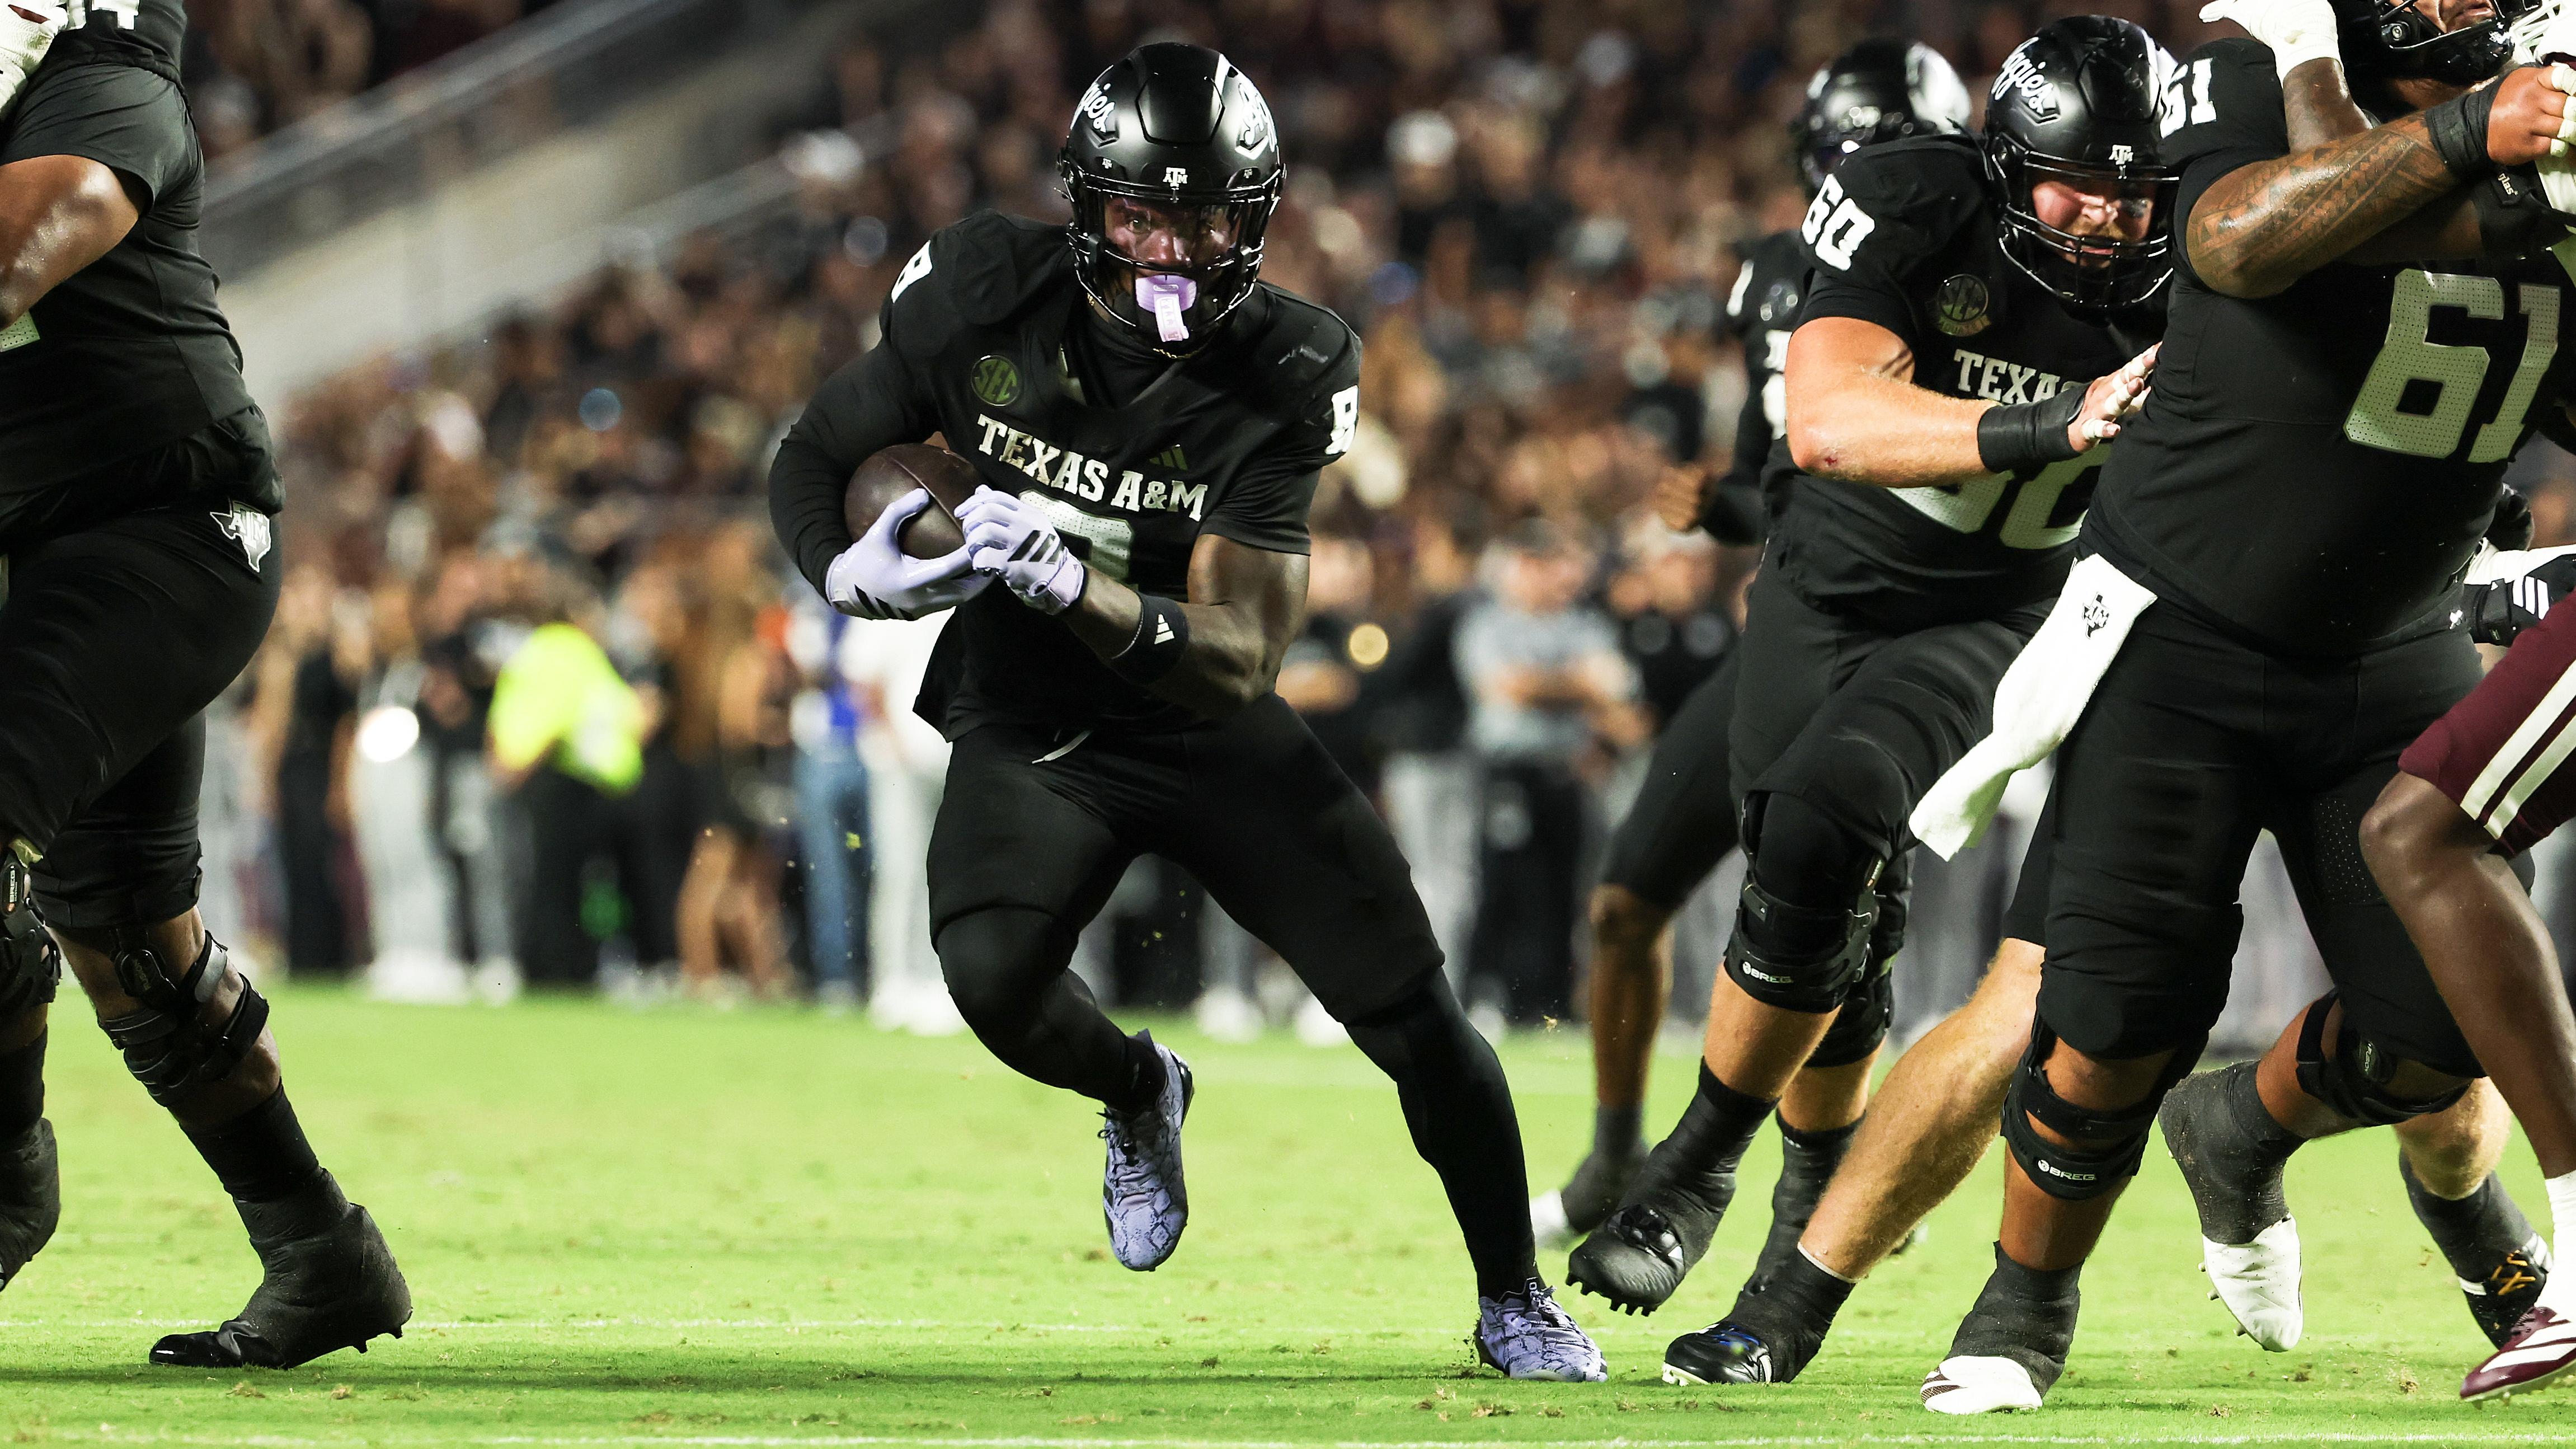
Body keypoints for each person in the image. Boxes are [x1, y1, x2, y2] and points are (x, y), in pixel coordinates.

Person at [766, 43, 1603, 1381]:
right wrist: (843, 567)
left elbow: (1240, 657)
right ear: (1085, 206)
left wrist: (1072, 582)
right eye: (1143, 213)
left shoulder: (1288, 362)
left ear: (1255, 219)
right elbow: (817, 452)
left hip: (1201, 723)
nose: (1172, 244)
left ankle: (1513, 1288)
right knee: (989, 979)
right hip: (1035, 720)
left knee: (1412, 1014)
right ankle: (1139, 1088)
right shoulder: (982, 290)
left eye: (1207, 215)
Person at [1921, 0, 2576, 1414]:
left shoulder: (2538, 117)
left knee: (2440, 1024)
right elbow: (2228, 239)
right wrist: (2469, 134)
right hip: (2188, 630)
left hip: (2397, 642)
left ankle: (2236, 1125)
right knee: (2109, 1014)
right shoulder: (2259, 56)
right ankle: (2020, 1307)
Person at [1563, 17, 2169, 1358]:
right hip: (1825, 584)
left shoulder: (2193, 261)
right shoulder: (1912, 199)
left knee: (1833, 814)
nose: (2104, 215)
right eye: (2075, 179)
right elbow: (1825, 421)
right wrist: (2052, 423)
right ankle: (1779, 1183)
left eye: (2135, 188)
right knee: (1806, 874)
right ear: (2004, 159)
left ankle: (1702, 1161)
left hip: (2003, 610)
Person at [0, 0, 408, 1366]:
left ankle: (0, 1177)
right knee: (128, 936)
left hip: (159, 531)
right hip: (37, 547)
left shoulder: (106, 84)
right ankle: (321, 1249)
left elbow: (46, 216)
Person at [1530, 34, 1974, 1261]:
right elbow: (1776, 474)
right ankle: (1619, 1154)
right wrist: (1716, 504)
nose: (1864, 184)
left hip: (1913, 632)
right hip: (1791, 615)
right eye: (1844, 158)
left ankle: (1811, 1182)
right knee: (1627, 899)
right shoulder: (1773, 277)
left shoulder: (1977, 277)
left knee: (1837, 918)